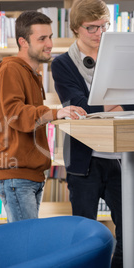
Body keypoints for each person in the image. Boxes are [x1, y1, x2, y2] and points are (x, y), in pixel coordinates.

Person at [51, 1, 134, 266]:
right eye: (91, 28)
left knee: (129, 231)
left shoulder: (123, 57)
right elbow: (80, 107)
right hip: (84, 160)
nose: (99, 33)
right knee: (85, 234)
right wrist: (117, 101)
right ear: (76, 28)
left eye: (104, 26)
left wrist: (105, 103)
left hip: (121, 157)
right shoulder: (62, 64)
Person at [0, 11, 85, 224]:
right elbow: (16, 114)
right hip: (16, 175)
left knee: (26, 241)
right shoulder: (11, 70)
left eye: (50, 37)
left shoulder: (31, 73)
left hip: (30, 175)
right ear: (23, 41)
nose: (49, 44)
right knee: (26, 242)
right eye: (42, 39)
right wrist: (55, 112)